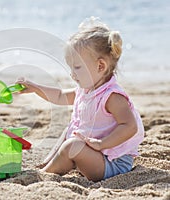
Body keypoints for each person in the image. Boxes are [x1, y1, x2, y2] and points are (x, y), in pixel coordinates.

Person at [16, 17, 144, 182]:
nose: (72, 74)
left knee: (72, 146)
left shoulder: (112, 96)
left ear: (100, 66)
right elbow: (60, 96)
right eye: (71, 68)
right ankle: (47, 164)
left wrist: (102, 143)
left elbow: (130, 126)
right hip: (94, 155)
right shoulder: (86, 89)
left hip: (112, 163)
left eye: (77, 67)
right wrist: (35, 88)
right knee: (69, 131)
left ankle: (46, 174)